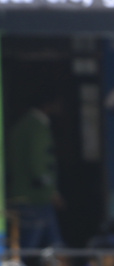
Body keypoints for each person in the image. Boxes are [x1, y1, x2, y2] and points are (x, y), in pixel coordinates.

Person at [5, 92, 64, 251]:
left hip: (21, 194)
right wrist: (51, 191)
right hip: (35, 197)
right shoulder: (37, 128)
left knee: (53, 242)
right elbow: (38, 165)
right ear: (49, 105)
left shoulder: (21, 126)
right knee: (29, 247)